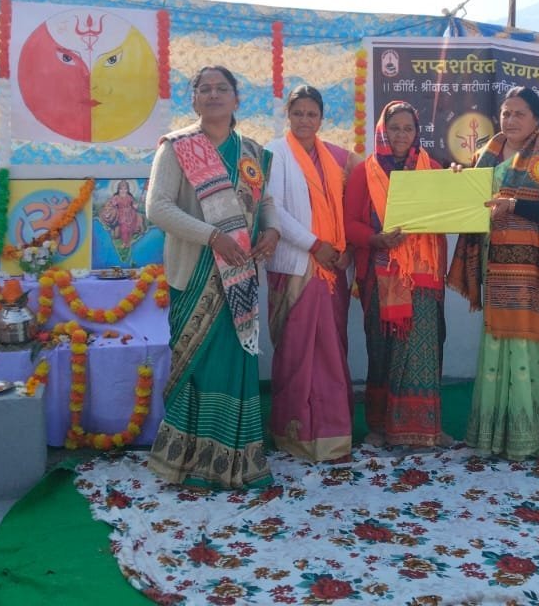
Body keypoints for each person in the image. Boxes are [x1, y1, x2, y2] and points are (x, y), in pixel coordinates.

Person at [144, 65, 280, 490]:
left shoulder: (251, 152)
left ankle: (236, 461)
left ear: (237, 99)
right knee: (197, 367)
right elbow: (157, 208)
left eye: (222, 88)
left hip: (240, 276)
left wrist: (272, 231)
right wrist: (213, 237)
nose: (214, 94)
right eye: (205, 89)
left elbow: (266, 202)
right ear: (194, 100)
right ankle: (188, 464)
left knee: (234, 366)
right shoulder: (177, 147)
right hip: (196, 273)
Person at [449, 86, 539, 460]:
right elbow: (473, 204)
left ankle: (536, 439)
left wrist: (515, 206)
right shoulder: (486, 154)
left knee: (535, 354)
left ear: (537, 118)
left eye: (520, 113)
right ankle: (495, 438)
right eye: (506, 113)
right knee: (497, 351)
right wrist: (459, 179)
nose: (510, 120)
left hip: (536, 273)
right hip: (497, 269)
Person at [345, 100, 450, 449]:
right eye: (394, 128)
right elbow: (349, 224)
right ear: (382, 131)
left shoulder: (433, 169)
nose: (401, 135)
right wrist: (376, 239)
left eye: (408, 129)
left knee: (426, 348)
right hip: (381, 275)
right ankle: (380, 426)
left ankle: (426, 428)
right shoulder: (365, 172)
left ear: (417, 132)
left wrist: (457, 184)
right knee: (383, 348)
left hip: (424, 276)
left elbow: (448, 213)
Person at [266, 84, 358, 462]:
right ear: (288, 115)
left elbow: (348, 208)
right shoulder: (275, 152)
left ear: (321, 119)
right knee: (297, 353)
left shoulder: (337, 158)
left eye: (312, 114)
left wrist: (345, 249)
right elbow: (271, 209)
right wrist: (313, 244)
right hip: (296, 265)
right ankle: (295, 434)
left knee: (331, 352)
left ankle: (334, 434)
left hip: (332, 267)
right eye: (298, 113)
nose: (304, 120)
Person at [99, 179, 148, 261]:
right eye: (121, 189)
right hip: (120, 214)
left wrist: (136, 206)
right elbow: (111, 204)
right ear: (118, 189)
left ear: (127, 190)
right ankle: (124, 243)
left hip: (130, 213)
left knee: (130, 227)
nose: (123, 190)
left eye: (125, 189)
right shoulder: (116, 197)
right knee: (123, 227)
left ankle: (128, 242)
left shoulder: (129, 197)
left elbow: (134, 205)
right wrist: (110, 205)